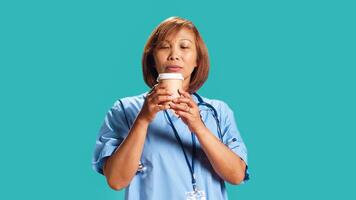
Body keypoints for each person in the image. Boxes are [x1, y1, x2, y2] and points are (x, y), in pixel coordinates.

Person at [92, 16, 250, 200]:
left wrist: (198, 127)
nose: (174, 55)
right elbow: (116, 181)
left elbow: (236, 176)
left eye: (184, 46)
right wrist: (143, 120)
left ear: (197, 59)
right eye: (164, 46)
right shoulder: (124, 110)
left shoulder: (217, 111)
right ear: (152, 59)